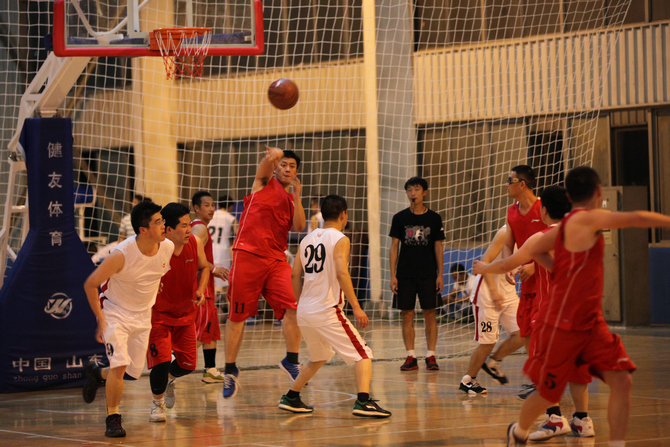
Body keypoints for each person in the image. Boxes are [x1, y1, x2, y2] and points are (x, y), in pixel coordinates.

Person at [506, 166, 670, 447]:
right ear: (598, 192)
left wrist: (550, 267)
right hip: (562, 324)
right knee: (548, 391)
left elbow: (532, 252)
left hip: (591, 322)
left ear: (569, 196)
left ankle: (607, 438)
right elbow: (639, 217)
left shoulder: (566, 227)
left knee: (620, 380)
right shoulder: (584, 220)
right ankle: (519, 431)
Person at [477, 186, 593, 441]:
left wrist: (485, 267)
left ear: (543, 210)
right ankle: (582, 421)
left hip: (552, 313)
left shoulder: (541, 238)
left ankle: (555, 419)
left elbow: (507, 264)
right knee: (576, 367)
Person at [278, 195, 391, 418]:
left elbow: (294, 274)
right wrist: (356, 306)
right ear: (343, 215)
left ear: (322, 213)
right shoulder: (341, 238)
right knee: (363, 353)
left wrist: (301, 303)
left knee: (318, 357)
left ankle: (291, 397)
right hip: (327, 309)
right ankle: (363, 402)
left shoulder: (306, 239)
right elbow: (341, 272)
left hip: (305, 310)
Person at [82, 201, 174, 438]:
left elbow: (155, 272)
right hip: (115, 312)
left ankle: (97, 374)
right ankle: (113, 418)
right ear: (143, 230)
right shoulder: (121, 254)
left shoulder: (167, 246)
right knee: (120, 365)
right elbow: (90, 284)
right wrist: (100, 319)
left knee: (131, 373)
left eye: (163, 220)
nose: (164, 225)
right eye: (158, 222)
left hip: (143, 315)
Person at [223, 145, 307, 398]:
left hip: (276, 260)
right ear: (276, 168)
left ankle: (291, 360)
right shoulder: (263, 183)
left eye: (292, 166)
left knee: (293, 307)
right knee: (237, 316)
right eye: (284, 164)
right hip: (247, 256)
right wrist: (274, 156)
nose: (287, 169)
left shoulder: (291, 199)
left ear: (296, 172)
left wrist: (297, 197)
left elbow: (300, 226)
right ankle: (230, 369)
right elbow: (263, 169)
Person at [147, 203, 212, 422]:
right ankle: (157, 405)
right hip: (158, 316)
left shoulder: (195, 242)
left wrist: (201, 289)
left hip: (185, 314)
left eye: (189, 224)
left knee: (188, 364)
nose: (188, 229)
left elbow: (205, 267)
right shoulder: (155, 248)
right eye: (183, 226)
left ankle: (168, 380)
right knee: (161, 361)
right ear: (168, 230)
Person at [458, 226, 523, 395]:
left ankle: (494, 362)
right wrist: (493, 292)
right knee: (488, 342)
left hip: (508, 292)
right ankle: (468, 381)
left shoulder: (533, 234)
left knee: (523, 332)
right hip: (487, 293)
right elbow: (484, 262)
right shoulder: (505, 232)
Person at [389, 177, 445, 371]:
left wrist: (440, 274)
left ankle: (431, 355)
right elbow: (394, 247)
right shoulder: (399, 218)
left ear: (424, 192)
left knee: (430, 314)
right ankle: (411, 356)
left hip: (428, 274)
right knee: (407, 315)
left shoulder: (434, 218)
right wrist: (393, 275)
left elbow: (438, 247)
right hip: (405, 274)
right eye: (410, 190)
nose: (413, 193)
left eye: (417, 189)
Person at [502, 165, 547, 399]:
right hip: (527, 285)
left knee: (541, 332)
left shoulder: (544, 208)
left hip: (548, 282)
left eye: (509, 180)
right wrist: (508, 265)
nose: (506, 185)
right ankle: (537, 380)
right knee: (526, 331)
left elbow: (558, 243)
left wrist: (535, 266)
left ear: (522, 184)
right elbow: (508, 244)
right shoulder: (511, 212)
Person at [191, 191, 229, 383]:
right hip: (201, 287)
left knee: (211, 327)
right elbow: (192, 255)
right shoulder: (199, 228)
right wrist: (213, 268)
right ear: (196, 208)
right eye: (206, 205)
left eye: (212, 205)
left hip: (207, 285)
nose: (212, 208)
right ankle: (173, 361)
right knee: (203, 329)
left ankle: (211, 369)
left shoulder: (202, 227)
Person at [209, 195, 238, 290]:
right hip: (222, 255)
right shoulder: (230, 218)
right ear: (231, 206)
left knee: (207, 285)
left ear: (218, 205)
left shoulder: (210, 216)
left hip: (208, 253)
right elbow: (239, 235)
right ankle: (226, 299)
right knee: (226, 286)